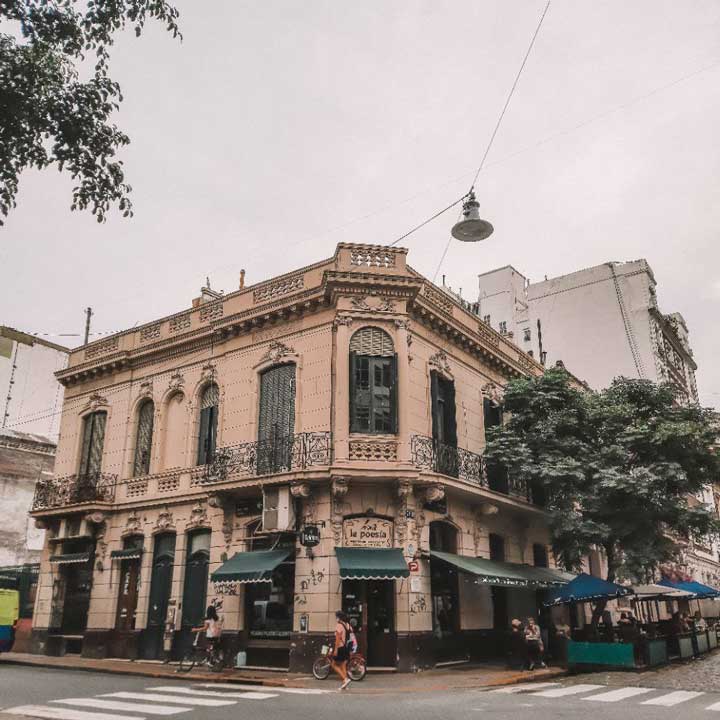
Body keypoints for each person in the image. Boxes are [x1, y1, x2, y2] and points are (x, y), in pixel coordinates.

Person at [330, 611, 352, 691]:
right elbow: (351, 635)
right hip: (347, 647)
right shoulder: (348, 625)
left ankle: (345, 679)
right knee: (343, 665)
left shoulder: (339, 625)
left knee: (334, 664)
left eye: (336, 616)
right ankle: (345, 684)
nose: (336, 618)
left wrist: (335, 649)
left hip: (340, 647)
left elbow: (338, 638)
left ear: (339, 617)